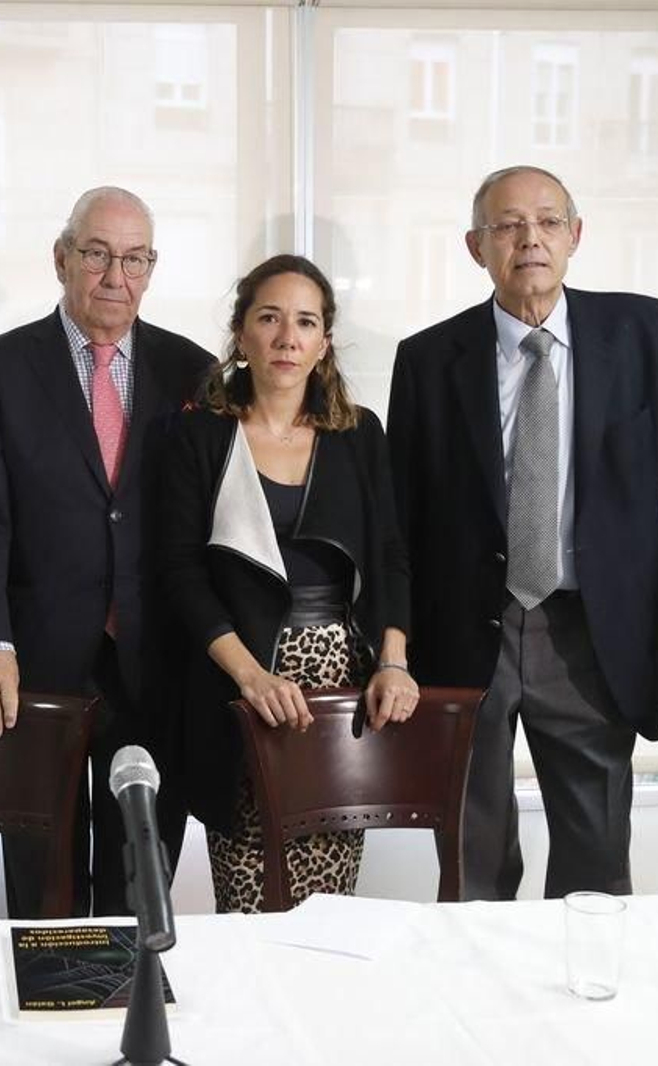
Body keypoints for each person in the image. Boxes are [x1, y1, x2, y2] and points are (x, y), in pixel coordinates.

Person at [387, 165, 658, 900]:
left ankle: (583, 1008)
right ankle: (475, 1006)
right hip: (471, 634)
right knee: (471, 861)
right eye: (507, 225)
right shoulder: (428, 359)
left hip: (595, 634)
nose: (529, 238)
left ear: (575, 236)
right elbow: (400, 523)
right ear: (476, 246)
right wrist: (393, 646)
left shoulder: (646, 334)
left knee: (596, 867)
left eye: (548, 221)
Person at [0, 186, 215, 916]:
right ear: (62, 258)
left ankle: (133, 1015)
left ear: (151, 269)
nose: (115, 276)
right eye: (96, 254)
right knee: (42, 881)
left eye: (134, 258)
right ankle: (50, 1014)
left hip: (157, 663)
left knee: (142, 873)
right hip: (32, 664)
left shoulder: (195, 372)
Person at [157, 254, 419, 912]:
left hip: (342, 689)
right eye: (269, 318)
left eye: (305, 322)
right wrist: (250, 678)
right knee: (248, 894)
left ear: (324, 342)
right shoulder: (198, 434)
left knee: (330, 905)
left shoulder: (360, 434)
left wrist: (394, 661)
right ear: (241, 332)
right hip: (241, 684)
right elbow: (181, 572)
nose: (286, 337)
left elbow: (389, 556)